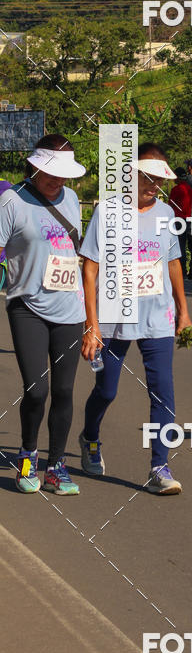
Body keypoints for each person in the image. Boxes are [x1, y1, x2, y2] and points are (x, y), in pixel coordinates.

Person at [79, 142, 192, 494]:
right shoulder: (108, 212)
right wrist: (91, 324)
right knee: (107, 390)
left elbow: (172, 263)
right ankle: (90, 437)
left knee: (163, 393)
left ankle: (160, 466)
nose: (153, 187)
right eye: (147, 179)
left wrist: (184, 311)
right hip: (114, 318)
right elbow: (90, 268)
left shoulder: (165, 214)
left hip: (158, 316)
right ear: (131, 174)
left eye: (158, 182)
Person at [0, 135, 86, 494]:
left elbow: (80, 254)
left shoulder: (72, 199)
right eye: (52, 173)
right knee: (37, 390)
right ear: (34, 166)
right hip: (27, 308)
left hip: (71, 309)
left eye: (63, 175)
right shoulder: (12, 201)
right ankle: (27, 457)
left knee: (64, 391)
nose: (58, 181)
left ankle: (56, 466)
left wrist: (94, 319)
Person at [168, 166, 192, 278]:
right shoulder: (188, 188)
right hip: (187, 219)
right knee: (184, 245)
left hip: (177, 220)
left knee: (177, 247)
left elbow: (170, 205)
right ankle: (184, 271)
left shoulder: (176, 190)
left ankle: (180, 272)